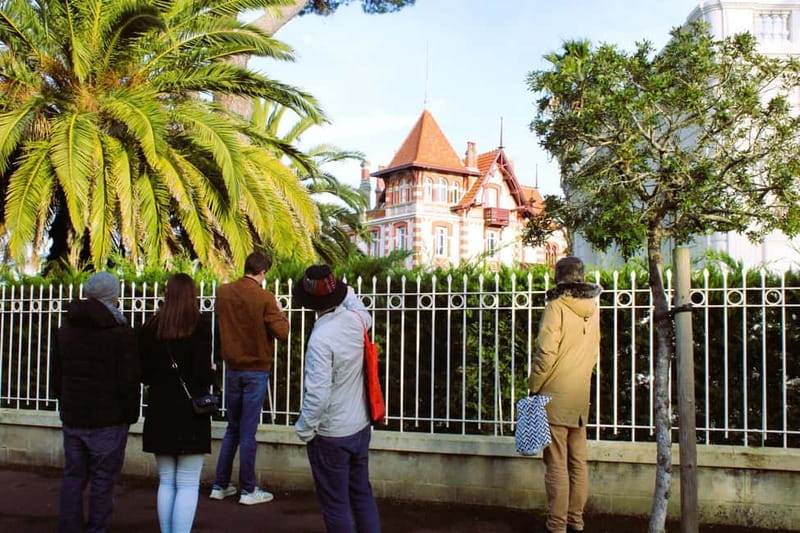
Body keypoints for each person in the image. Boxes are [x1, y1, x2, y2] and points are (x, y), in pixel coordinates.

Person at [293, 264, 381, 533]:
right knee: (361, 493)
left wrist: (304, 429)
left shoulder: (320, 338)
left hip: (331, 434)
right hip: (360, 426)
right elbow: (361, 309)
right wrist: (344, 290)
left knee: (335, 504)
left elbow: (318, 395)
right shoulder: (357, 321)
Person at [52, 271, 140, 533]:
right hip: (108, 420)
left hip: (73, 416)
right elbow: (128, 380)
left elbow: (57, 376)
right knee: (103, 480)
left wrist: (65, 403)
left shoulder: (65, 330)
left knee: (73, 477)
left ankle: (69, 528)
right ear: (113, 297)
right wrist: (130, 414)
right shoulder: (121, 333)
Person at [210, 251, 289, 505]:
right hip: (256, 369)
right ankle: (248, 489)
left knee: (232, 428)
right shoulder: (265, 298)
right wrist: (279, 310)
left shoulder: (223, 293)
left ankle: (220, 485)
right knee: (247, 431)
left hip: (231, 368)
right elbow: (283, 332)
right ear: (264, 272)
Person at [529, 256, 601, 533]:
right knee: (578, 462)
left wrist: (535, 385)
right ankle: (576, 520)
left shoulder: (556, 306)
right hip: (580, 394)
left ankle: (556, 525)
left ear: (558, 278)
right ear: (581, 277)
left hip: (553, 395)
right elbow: (594, 351)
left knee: (556, 463)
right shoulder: (593, 308)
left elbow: (545, 352)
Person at [139, 273, 214, 532]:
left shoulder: (151, 327)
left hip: (160, 409)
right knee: (188, 482)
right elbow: (204, 374)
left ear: (167, 293)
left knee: (167, 480)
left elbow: (143, 374)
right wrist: (212, 371)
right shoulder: (200, 325)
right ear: (192, 294)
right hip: (191, 411)